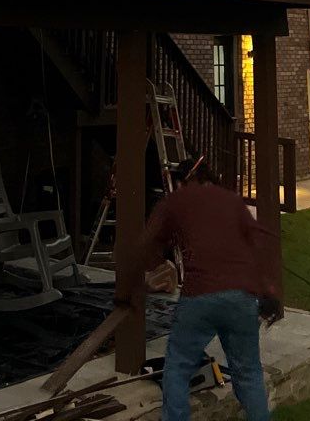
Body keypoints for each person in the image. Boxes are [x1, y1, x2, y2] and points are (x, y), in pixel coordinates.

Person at [116, 156, 284, 421]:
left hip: (200, 296)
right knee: (248, 373)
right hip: (242, 298)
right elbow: (260, 244)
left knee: (178, 367)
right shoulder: (232, 201)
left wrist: (129, 290)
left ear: (184, 180)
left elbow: (145, 245)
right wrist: (269, 292)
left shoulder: (176, 202)